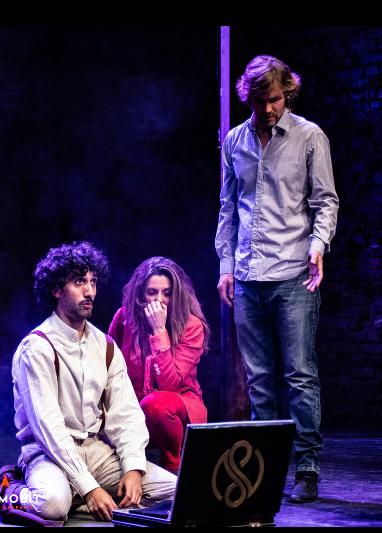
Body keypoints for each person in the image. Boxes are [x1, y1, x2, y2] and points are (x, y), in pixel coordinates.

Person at [215, 55, 339, 503]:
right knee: (259, 381)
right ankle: (262, 472)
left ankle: (306, 468)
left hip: (292, 275)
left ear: (287, 93)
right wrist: (226, 266)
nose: (268, 109)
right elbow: (229, 207)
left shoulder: (309, 136)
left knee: (300, 375)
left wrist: (318, 245)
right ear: (247, 98)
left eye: (275, 99)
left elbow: (325, 201)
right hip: (248, 275)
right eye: (259, 101)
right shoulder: (235, 141)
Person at [0, 242, 176, 526]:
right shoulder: (37, 348)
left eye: (93, 282)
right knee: (52, 505)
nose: (90, 291)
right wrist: (90, 487)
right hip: (48, 453)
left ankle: (78, 499)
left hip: (95, 452)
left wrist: (133, 468)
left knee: (177, 491)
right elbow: (48, 428)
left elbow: (126, 413)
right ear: (57, 290)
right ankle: (11, 490)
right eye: (79, 282)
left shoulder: (105, 345)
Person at [108, 257, 210, 474]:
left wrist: (159, 331)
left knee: (155, 404)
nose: (160, 300)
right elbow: (107, 365)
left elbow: (169, 385)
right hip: (133, 406)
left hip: (177, 406)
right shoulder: (124, 318)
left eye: (167, 293)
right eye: (152, 292)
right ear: (140, 294)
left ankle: (173, 465)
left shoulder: (191, 325)